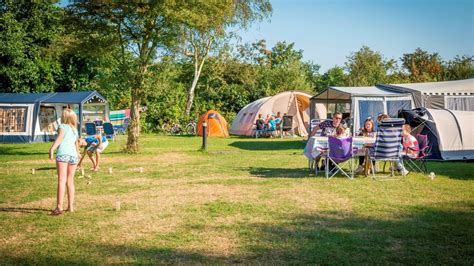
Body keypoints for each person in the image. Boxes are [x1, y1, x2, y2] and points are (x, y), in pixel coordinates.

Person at [48, 109, 80, 215]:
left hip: (63, 154)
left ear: (64, 117)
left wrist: (52, 149)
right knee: (70, 181)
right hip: (73, 156)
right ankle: (70, 207)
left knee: (62, 180)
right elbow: (76, 143)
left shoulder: (62, 126)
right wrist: (78, 153)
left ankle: (59, 207)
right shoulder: (75, 129)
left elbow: (60, 138)